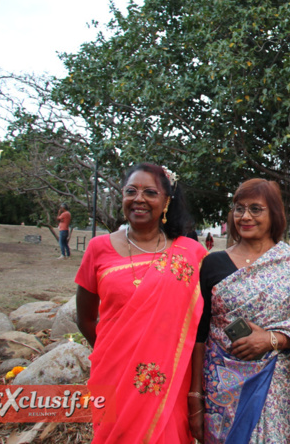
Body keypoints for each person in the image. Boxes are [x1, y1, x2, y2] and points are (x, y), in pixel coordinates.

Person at [75, 163, 206, 443]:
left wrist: (196, 390)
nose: (139, 199)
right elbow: (84, 318)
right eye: (131, 191)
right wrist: (115, 354)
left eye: (150, 192)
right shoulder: (98, 248)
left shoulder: (190, 253)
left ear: (166, 201)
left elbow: (200, 327)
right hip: (112, 374)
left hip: (170, 379)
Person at [190, 179, 290, 444]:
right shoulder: (212, 264)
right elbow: (200, 333)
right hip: (221, 387)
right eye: (239, 209)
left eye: (255, 209)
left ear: (274, 214)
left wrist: (271, 339)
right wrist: (195, 396)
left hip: (276, 385)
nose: (245, 216)